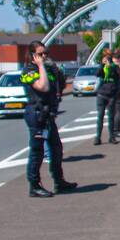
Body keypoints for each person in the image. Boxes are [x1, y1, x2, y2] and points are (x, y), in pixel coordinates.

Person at [20, 41, 75, 198]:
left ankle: (59, 181)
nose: (44, 56)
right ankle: (34, 185)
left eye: (46, 53)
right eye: (40, 54)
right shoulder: (28, 71)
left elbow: (59, 86)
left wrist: (56, 71)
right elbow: (42, 86)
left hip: (48, 115)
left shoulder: (49, 69)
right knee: (37, 151)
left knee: (56, 149)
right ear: (32, 55)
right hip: (36, 114)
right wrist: (41, 66)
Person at [94, 50, 119, 145]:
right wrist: (102, 64)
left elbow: (117, 75)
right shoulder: (102, 67)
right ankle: (98, 137)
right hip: (101, 94)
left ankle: (111, 137)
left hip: (111, 95)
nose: (107, 58)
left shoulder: (114, 67)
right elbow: (97, 74)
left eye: (108, 56)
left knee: (111, 117)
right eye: (105, 57)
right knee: (100, 116)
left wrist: (110, 66)